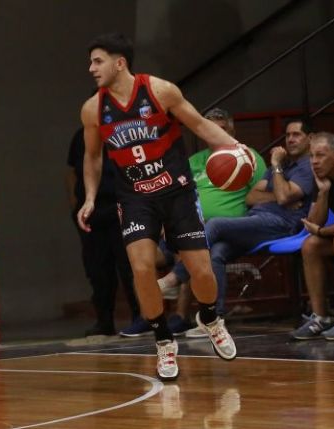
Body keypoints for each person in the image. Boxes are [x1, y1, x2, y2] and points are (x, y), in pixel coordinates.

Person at [77, 33, 237, 381]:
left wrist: (235, 148)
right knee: (141, 268)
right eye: (90, 62)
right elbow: (92, 156)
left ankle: (210, 318)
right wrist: (89, 197)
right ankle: (163, 340)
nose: (91, 68)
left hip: (177, 191)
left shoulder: (160, 91)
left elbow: (199, 124)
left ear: (120, 63)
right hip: (135, 197)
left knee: (202, 271)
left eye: (98, 61)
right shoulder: (93, 109)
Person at [156, 107, 267, 337]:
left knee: (206, 245)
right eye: (210, 129)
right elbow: (177, 195)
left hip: (235, 229)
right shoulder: (194, 161)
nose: (216, 133)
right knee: (200, 248)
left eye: (222, 129)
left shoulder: (248, 157)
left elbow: (263, 195)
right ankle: (204, 320)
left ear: (231, 130)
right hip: (197, 228)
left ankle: (183, 291)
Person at [202, 117, 314, 330]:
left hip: (282, 225)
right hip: (256, 222)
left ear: (310, 138)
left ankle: (176, 276)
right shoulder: (284, 165)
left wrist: (276, 166)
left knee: (215, 224)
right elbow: (252, 197)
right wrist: (279, 195)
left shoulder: (308, 166)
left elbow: (284, 197)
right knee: (216, 253)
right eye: (288, 135)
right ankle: (215, 320)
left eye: (296, 135)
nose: (290, 139)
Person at [65, 127, 138, 336]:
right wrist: (75, 206)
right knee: (97, 269)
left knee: (130, 267)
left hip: (122, 207)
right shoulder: (80, 136)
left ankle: (140, 317)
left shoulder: (124, 130)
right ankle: (104, 321)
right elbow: (72, 173)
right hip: (92, 213)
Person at [292, 132, 334, 340]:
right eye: (312, 156)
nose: (314, 161)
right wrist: (323, 193)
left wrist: (322, 232)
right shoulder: (321, 175)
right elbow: (314, 222)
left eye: (320, 155)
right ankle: (321, 317)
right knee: (311, 245)